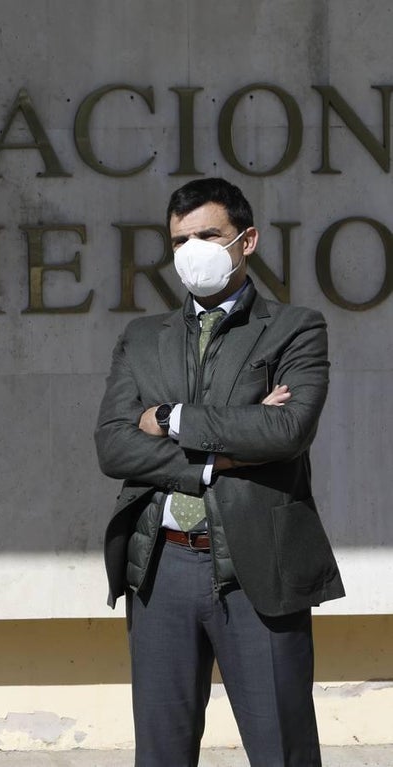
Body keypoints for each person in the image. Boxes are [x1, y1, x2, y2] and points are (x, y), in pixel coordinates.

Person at [94, 177, 345, 766]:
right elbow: (113, 447)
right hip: (160, 564)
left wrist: (169, 416)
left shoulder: (295, 327)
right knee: (162, 751)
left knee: (281, 749)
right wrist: (222, 453)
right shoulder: (142, 338)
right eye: (180, 240)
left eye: (209, 235)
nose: (192, 251)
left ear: (247, 240)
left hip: (257, 562)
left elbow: (287, 431)